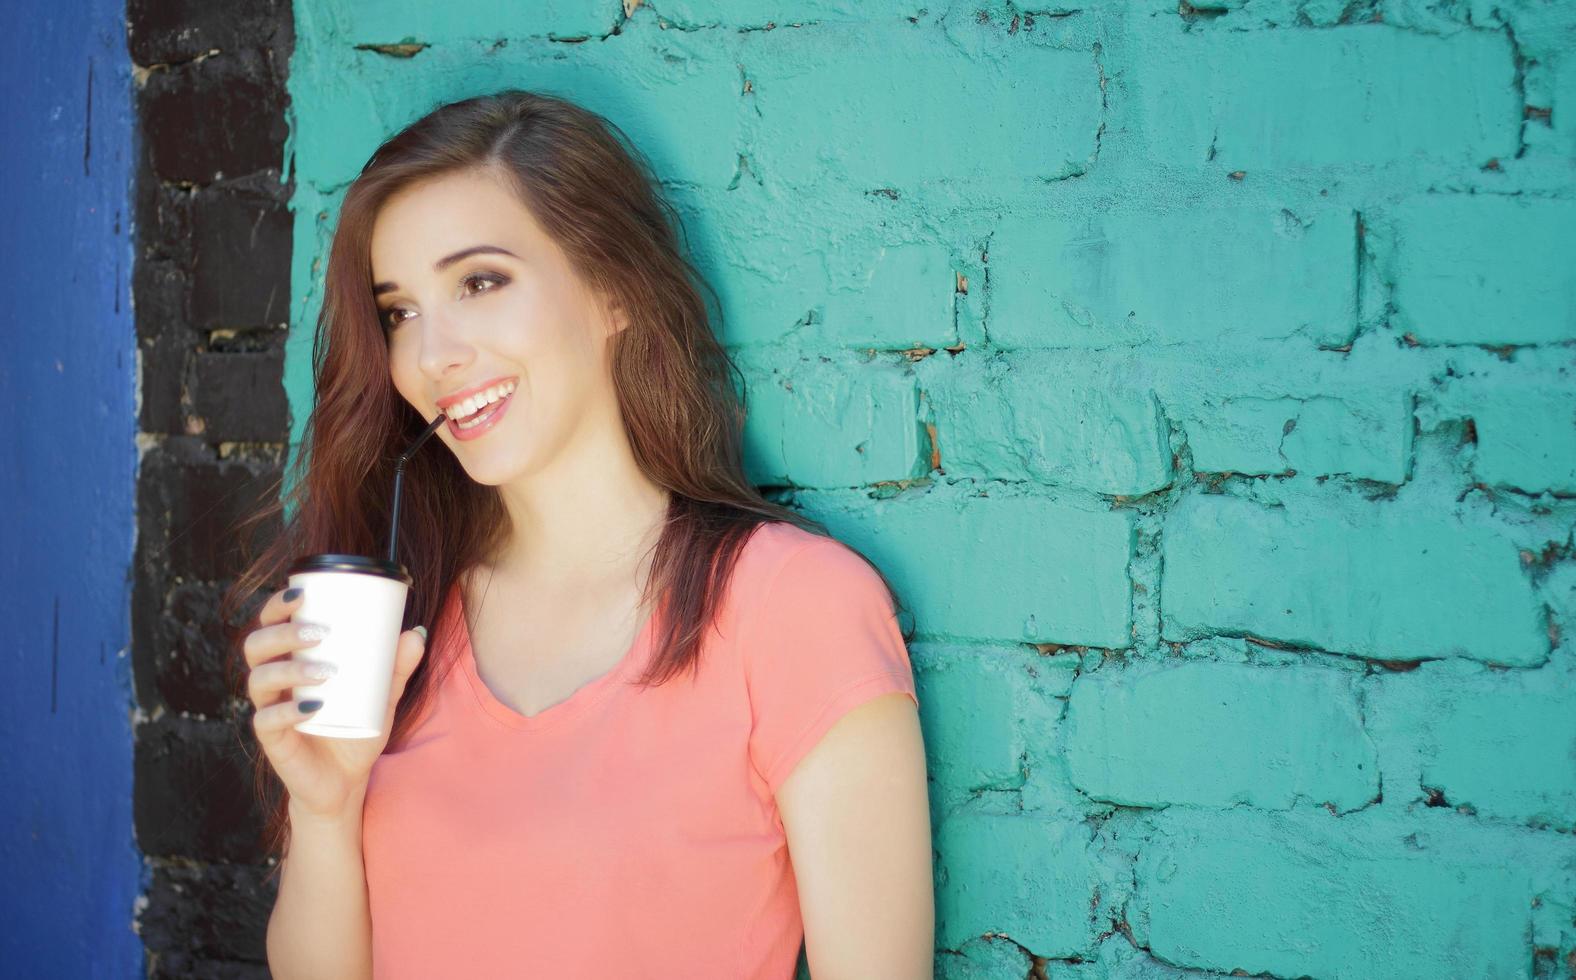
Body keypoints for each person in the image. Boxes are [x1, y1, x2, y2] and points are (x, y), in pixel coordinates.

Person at [220, 89, 933, 979]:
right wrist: (326, 810)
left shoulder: (795, 608)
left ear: (612, 291)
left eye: (479, 283)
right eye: (399, 311)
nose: (431, 355)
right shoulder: (397, 628)